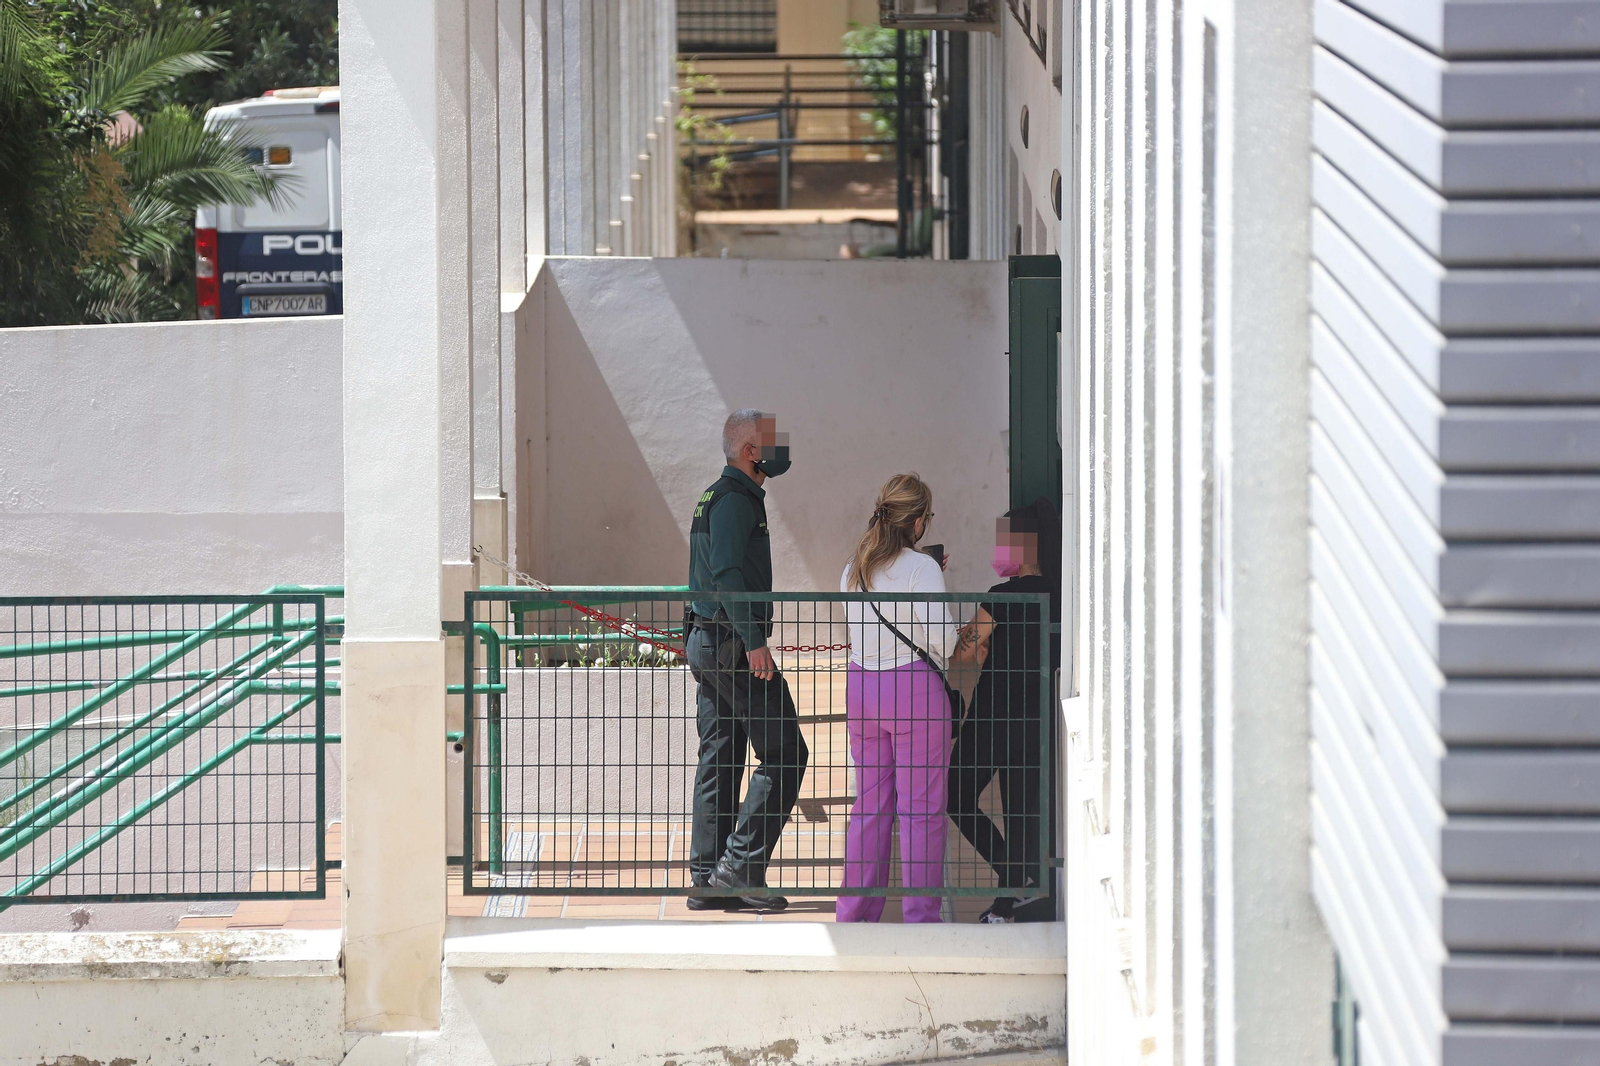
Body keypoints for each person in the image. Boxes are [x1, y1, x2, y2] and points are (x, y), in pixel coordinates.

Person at [684, 409, 809, 912]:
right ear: (751, 451)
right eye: (772, 443)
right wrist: (754, 640)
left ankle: (706, 877)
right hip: (734, 645)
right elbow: (726, 574)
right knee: (785, 753)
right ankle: (738, 870)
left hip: (710, 641)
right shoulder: (736, 500)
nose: (780, 450)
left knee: (721, 756)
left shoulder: (714, 495)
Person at [836, 473, 958, 923]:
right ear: (919, 520)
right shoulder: (921, 567)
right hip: (913, 693)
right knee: (920, 812)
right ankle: (920, 920)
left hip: (862, 689)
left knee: (869, 807)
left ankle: (855, 916)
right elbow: (944, 643)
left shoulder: (854, 567)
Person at [947, 499, 1062, 923]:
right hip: (1036, 718)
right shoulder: (1059, 596)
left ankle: (1013, 887)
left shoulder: (998, 597)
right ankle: (1014, 895)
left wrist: (969, 637)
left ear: (1024, 547)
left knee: (955, 794)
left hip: (993, 717)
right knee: (1020, 813)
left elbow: (963, 654)